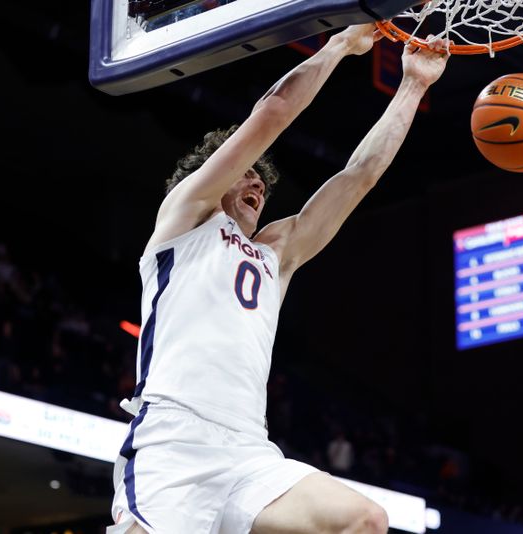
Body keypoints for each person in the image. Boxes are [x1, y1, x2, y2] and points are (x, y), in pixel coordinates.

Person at [110, 23, 451, 534]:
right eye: (246, 174)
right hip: (173, 439)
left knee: (364, 521)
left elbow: (359, 177)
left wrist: (413, 86)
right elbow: (272, 113)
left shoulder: (276, 254)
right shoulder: (184, 217)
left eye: (263, 182)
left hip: (248, 449)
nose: (256, 184)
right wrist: (338, 46)